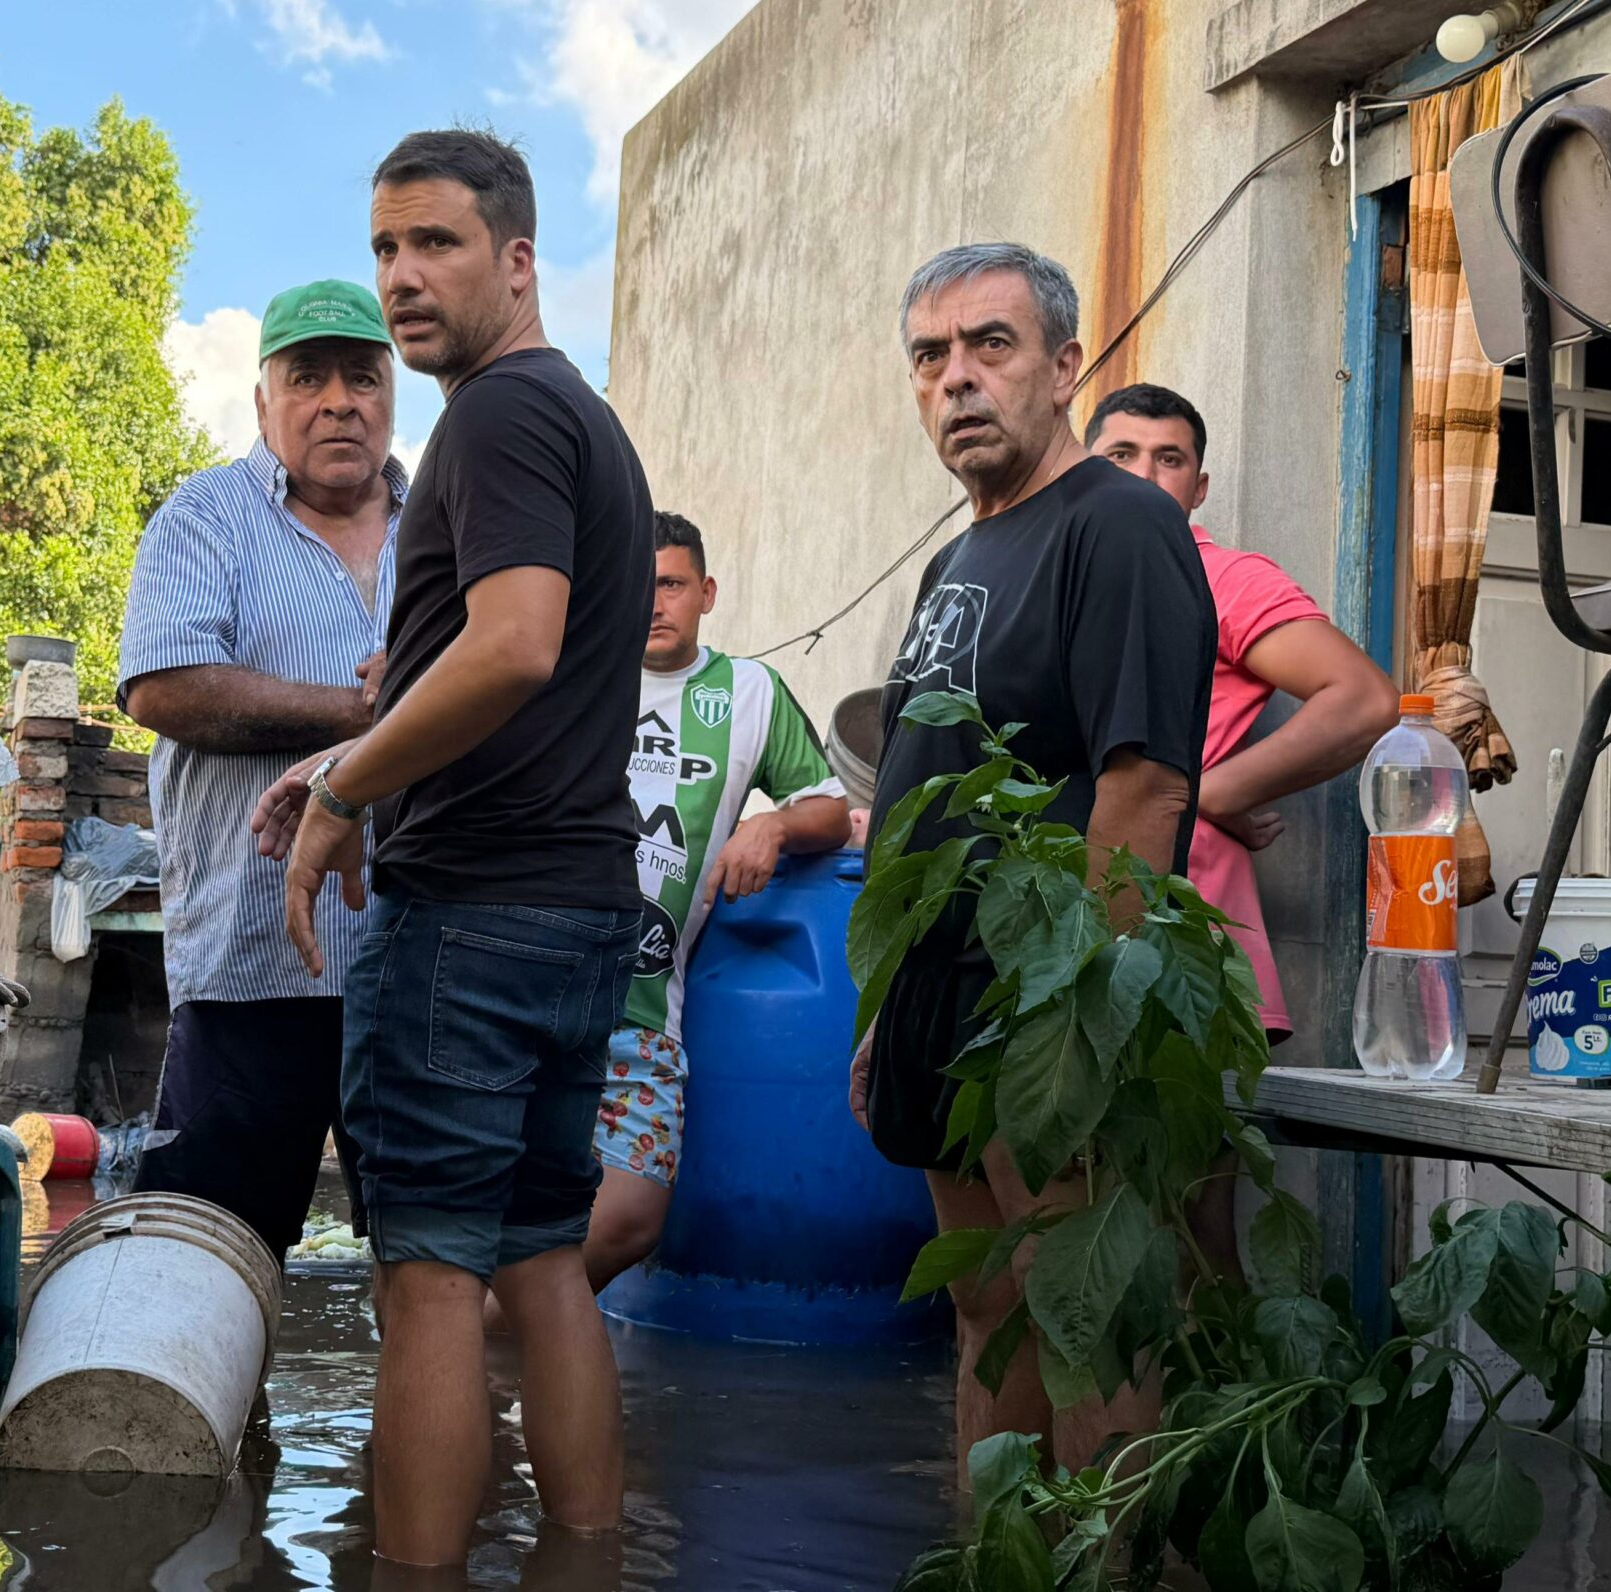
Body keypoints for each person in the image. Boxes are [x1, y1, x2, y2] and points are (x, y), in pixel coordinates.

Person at [253, 129, 654, 1566]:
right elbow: (485, 676)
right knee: (545, 1264)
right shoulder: (581, 420)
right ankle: (589, 1562)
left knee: (425, 1284)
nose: (403, 279)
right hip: (574, 907)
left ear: (520, 259)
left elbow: (513, 647)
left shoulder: (494, 416)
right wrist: (347, 760)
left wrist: (348, 797)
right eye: (384, 249)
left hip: (472, 918)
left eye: (437, 244)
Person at [850, 244, 1217, 1489]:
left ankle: (1108, 1571)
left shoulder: (1119, 524)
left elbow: (1146, 781)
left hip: (1047, 992)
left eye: (989, 346)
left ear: (1064, 368)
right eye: (930, 356)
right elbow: (917, 782)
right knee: (989, 1305)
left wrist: (1075, 1018)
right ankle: (996, 1559)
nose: (956, 379)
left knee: (1086, 1324)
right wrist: (884, 1005)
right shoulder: (957, 559)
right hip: (938, 988)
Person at [115, 278, 402, 1259]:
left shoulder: (443, 529)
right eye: (308, 376)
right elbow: (164, 689)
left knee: (434, 1253)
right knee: (207, 1250)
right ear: (263, 398)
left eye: (362, 376)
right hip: (252, 958)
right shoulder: (207, 518)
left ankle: (434, 1420)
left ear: (392, 393)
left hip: (416, 958)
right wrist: (363, 714)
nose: (338, 400)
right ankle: (221, 1420)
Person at [1084, 383, 1400, 1041]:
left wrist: (1206, 794)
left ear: (1199, 488)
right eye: (1121, 455)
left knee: (1182, 1131)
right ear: (1085, 471)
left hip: (1179, 927)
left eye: (1167, 459)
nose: (1143, 476)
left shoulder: (1221, 577)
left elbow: (1365, 700)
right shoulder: (1067, 576)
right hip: (1068, 905)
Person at [590, 510, 849, 1289]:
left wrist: (771, 825)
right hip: (538, 994)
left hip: (645, 1005)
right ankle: (486, 1380)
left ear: (705, 592)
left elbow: (831, 807)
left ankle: (481, 1350)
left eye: (669, 584)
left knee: (632, 1219)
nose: (651, 604)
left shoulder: (748, 692)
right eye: (635, 586)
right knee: (508, 1213)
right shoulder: (575, 670)